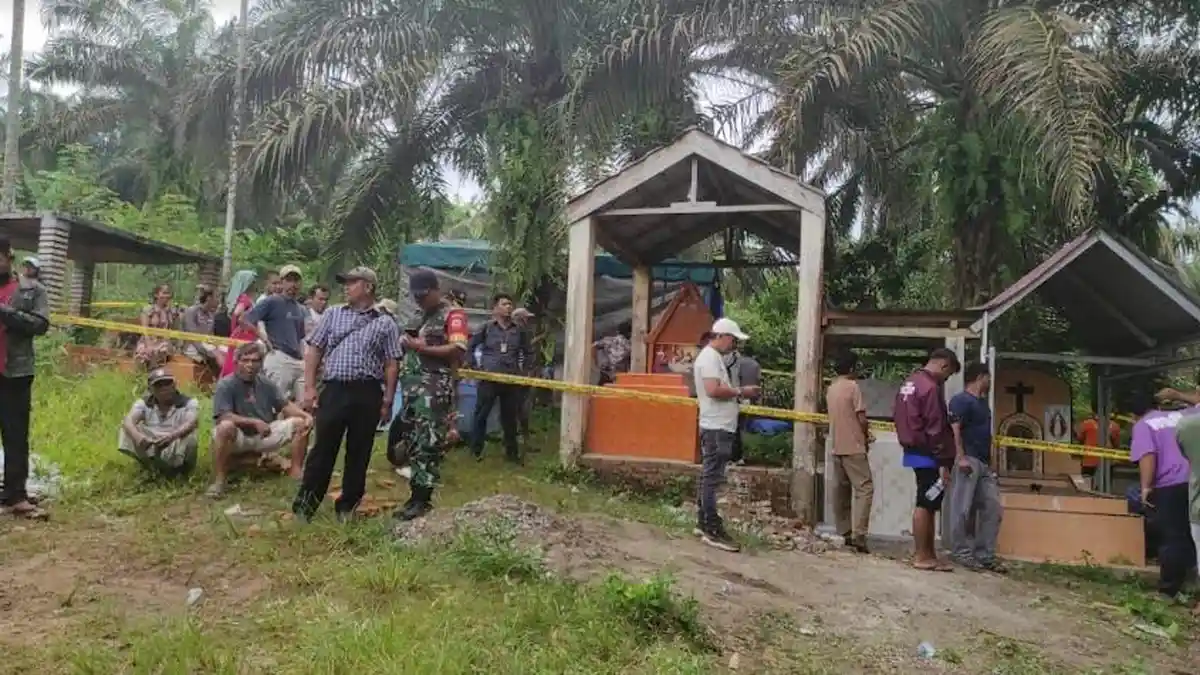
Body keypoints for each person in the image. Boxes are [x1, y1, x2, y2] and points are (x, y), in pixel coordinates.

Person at [294, 267, 401, 522]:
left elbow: (391, 363)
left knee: (359, 451)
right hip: (335, 389)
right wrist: (309, 387)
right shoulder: (333, 314)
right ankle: (305, 506)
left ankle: (347, 507)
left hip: (367, 392)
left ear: (368, 287)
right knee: (323, 449)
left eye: (352, 283)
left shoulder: (385, 322)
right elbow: (314, 351)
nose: (346, 287)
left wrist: (388, 399)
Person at [392, 269, 469, 521]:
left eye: (424, 295)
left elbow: (457, 350)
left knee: (428, 443)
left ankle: (421, 499)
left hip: (433, 389)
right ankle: (415, 496)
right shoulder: (420, 314)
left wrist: (421, 347)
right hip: (414, 391)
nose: (420, 300)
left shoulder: (454, 315)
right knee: (414, 442)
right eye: (416, 297)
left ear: (437, 290)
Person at [209, 342, 314, 498]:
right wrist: (252, 422)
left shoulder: (265, 383)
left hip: (265, 434)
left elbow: (285, 405)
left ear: (261, 363)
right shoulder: (226, 384)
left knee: (300, 424)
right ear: (236, 362)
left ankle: (296, 471)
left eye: (255, 360)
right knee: (225, 427)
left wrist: (306, 416)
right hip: (239, 436)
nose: (250, 365)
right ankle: (219, 480)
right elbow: (223, 415)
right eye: (245, 360)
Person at [693, 318, 759, 552]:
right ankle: (712, 527)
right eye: (732, 339)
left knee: (709, 475)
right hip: (716, 426)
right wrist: (741, 391)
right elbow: (713, 390)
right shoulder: (710, 358)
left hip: (719, 425)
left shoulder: (714, 358)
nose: (733, 344)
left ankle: (704, 522)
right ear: (721, 336)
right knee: (713, 477)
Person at [893, 347, 960, 572]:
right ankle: (922, 555)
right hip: (929, 453)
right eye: (948, 374)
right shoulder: (930, 388)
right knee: (926, 501)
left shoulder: (909, 382)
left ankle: (928, 553)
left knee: (928, 501)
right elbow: (935, 427)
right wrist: (944, 459)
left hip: (913, 449)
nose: (946, 379)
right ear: (944, 365)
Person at [0, 237, 50, 520]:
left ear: (10, 256)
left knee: (15, 434)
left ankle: (16, 496)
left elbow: (41, 325)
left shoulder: (32, 290)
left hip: (15, 371)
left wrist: (4, 312)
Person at [1132, 388, 1198, 599]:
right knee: (1193, 534)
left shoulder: (1144, 425)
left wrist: (1146, 488)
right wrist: (1179, 396)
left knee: (1171, 537)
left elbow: (1148, 457)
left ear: (1134, 414)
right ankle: (1191, 584)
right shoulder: (1184, 415)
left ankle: (1168, 591)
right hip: (1195, 481)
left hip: (1171, 486)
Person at [947, 362, 1005, 572]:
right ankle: (960, 552)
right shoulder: (961, 400)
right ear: (980, 377)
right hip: (968, 460)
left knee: (993, 508)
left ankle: (985, 555)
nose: (990, 382)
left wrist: (992, 465)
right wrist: (960, 457)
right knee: (962, 508)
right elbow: (955, 429)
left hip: (984, 463)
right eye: (988, 378)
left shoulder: (982, 405)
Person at [467, 293, 531, 463]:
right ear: (495, 308)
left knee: (509, 418)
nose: (508, 307)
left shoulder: (519, 330)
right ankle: (476, 451)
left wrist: (525, 371)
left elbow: (528, 352)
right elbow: (470, 346)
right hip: (489, 379)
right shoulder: (486, 327)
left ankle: (512, 454)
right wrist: (474, 366)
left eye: (510, 304)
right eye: (504, 304)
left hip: (511, 380)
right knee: (481, 415)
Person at [826, 349, 873, 554]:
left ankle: (844, 531)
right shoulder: (853, 387)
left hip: (837, 446)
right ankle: (859, 535)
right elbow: (861, 418)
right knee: (864, 489)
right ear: (853, 368)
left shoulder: (832, 388)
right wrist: (866, 436)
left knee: (841, 491)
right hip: (854, 446)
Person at [118, 368, 199, 478]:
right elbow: (128, 420)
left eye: (167, 383)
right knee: (127, 427)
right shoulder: (144, 403)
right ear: (150, 389)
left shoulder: (189, 402)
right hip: (152, 440)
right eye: (159, 385)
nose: (164, 388)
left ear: (175, 385)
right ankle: (150, 467)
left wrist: (171, 437)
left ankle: (180, 471)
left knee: (191, 437)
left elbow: (191, 423)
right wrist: (139, 438)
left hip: (175, 439)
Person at [244, 264, 307, 401]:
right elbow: (246, 319)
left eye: (296, 280)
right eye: (289, 280)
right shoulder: (272, 301)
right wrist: (263, 338)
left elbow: (301, 336)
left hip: (298, 360)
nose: (293, 284)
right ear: (282, 282)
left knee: (301, 403)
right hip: (279, 357)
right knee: (277, 401)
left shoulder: (301, 309)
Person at [728, 343, 762, 465]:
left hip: (737, 397)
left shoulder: (736, 363)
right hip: (750, 397)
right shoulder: (755, 364)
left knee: (735, 427)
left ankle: (735, 456)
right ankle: (741, 455)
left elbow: (734, 379)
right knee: (742, 427)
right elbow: (758, 381)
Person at [221, 270, 258, 378]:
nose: (254, 284)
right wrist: (250, 325)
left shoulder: (246, 298)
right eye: (252, 282)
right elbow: (237, 314)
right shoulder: (244, 299)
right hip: (244, 335)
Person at [134, 284, 180, 368]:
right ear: (156, 295)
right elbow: (144, 330)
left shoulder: (172, 311)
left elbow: (175, 329)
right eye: (164, 293)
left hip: (164, 342)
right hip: (148, 340)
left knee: (162, 350)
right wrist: (149, 345)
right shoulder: (148, 309)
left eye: (168, 293)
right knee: (144, 353)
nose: (166, 296)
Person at [182, 285, 221, 369]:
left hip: (207, 346)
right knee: (217, 356)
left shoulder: (211, 315)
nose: (218, 300)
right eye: (216, 297)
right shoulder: (191, 311)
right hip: (192, 347)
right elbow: (193, 337)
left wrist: (217, 347)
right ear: (209, 298)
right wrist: (208, 352)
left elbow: (211, 336)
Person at [1075, 412, 1122, 480]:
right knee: (1106, 483)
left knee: (1087, 483)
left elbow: (1080, 439)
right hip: (1106, 461)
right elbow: (1116, 444)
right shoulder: (1114, 426)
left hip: (1089, 461)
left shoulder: (1086, 424)